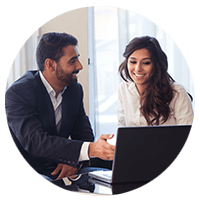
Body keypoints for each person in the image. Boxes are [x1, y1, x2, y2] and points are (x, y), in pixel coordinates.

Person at [5, 32, 115, 180]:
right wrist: (89, 149)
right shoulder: (19, 93)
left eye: (78, 58)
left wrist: (75, 161)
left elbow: (84, 135)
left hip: (60, 168)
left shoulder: (74, 90)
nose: (80, 66)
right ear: (50, 64)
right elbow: (36, 142)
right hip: (34, 167)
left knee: (108, 171)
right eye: (72, 61)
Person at [118, 36, 194, 127]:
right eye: (133, 62)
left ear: (156, 65)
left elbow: (186, 131)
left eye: (146, 63)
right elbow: (122, 129)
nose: (138, 69)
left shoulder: (177, 92)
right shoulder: (123, 88)